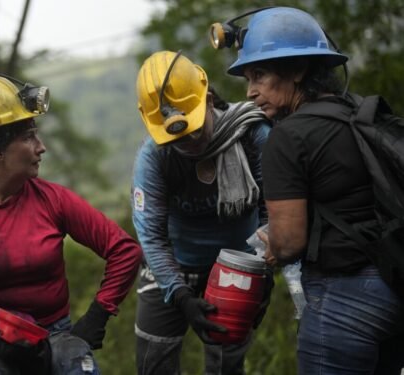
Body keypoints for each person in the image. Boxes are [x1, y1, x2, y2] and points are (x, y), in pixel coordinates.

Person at [223, 6, 404, 373]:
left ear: (298, 70)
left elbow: (289, 242)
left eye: (259, 75)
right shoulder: (356, 114)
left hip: (344, 303)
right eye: (247, 79)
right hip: (394, 288)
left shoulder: (286, 138)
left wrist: (272, 244)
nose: (251, 92)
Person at [0, 74, 142, 374]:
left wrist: (98, 314)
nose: (41, 147)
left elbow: (124, 250)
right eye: (28, 137)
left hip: (51, 332)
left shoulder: (52, 199)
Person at [131, 50, 271, 375]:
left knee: (226, 363)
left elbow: (274, 209)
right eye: (175, 136)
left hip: (238, 265)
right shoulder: (154, 158)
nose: (188, 141)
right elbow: (151, 235)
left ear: (208, 100)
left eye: (193, 129)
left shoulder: (251, 134)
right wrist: (179, 295)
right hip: (171, 265)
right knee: (154, 362)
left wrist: (262, 270)